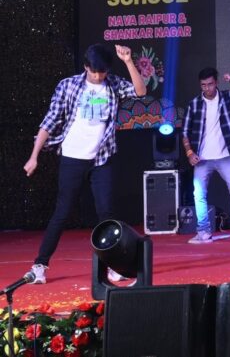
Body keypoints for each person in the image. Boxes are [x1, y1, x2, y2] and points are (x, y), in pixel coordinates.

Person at [23, 43, 146, 284]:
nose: (99, 76)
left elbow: (140, 92)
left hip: (101, 158)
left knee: (106, 213)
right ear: (86, 67)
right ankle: (40, 265)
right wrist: (34, 156)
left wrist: (128, 61)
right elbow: (49, 121)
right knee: (62, 212)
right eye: (94, 72)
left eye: (103, 72)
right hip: (72, 157)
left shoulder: (113, 84)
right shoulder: (68, 85)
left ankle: (113, 266)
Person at [181, 68, 230, 243]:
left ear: (216, 83)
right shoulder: (194, 104)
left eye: (210, 84)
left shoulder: (226, 97)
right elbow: (185, 132)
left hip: (225, 156)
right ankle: (203, 231)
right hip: (202, 158)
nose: (207, 88)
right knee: (199, 194)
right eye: (203, 85)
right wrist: (189, 152)